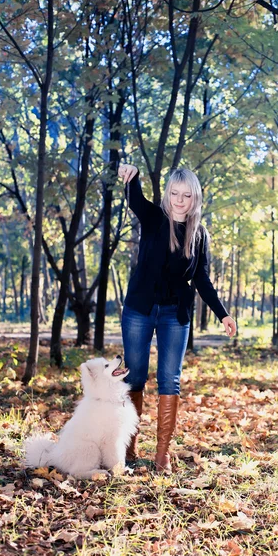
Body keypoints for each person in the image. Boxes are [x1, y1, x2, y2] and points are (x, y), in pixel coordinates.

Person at [117, 163, 237, 473]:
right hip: (140, 309)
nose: (179, 200)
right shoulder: (155, 219)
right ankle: (128, 447)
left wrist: (223, 314)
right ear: (168, 194)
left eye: (186, 195)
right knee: (135, 377)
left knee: (170, 379)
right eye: (174, 193)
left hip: (175, 313)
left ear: (195, 197)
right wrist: (132, 176)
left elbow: (202, 279)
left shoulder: (199, 234)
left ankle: (162, 456)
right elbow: (135, 200)